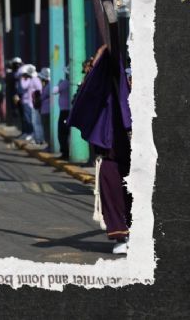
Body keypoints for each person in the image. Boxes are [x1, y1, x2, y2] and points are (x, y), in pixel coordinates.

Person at [68, 44, 132, 254]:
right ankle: (121, 237)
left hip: (137, 159)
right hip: (112, 157)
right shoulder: (106, 99)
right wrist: (102, 54)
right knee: (113, 195)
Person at [50, 68, 71, 160]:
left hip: (65, 112)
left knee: (62, 133)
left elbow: (54, 91)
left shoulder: (65, 83)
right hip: (70, 111)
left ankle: (65, 153)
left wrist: (59, 83)